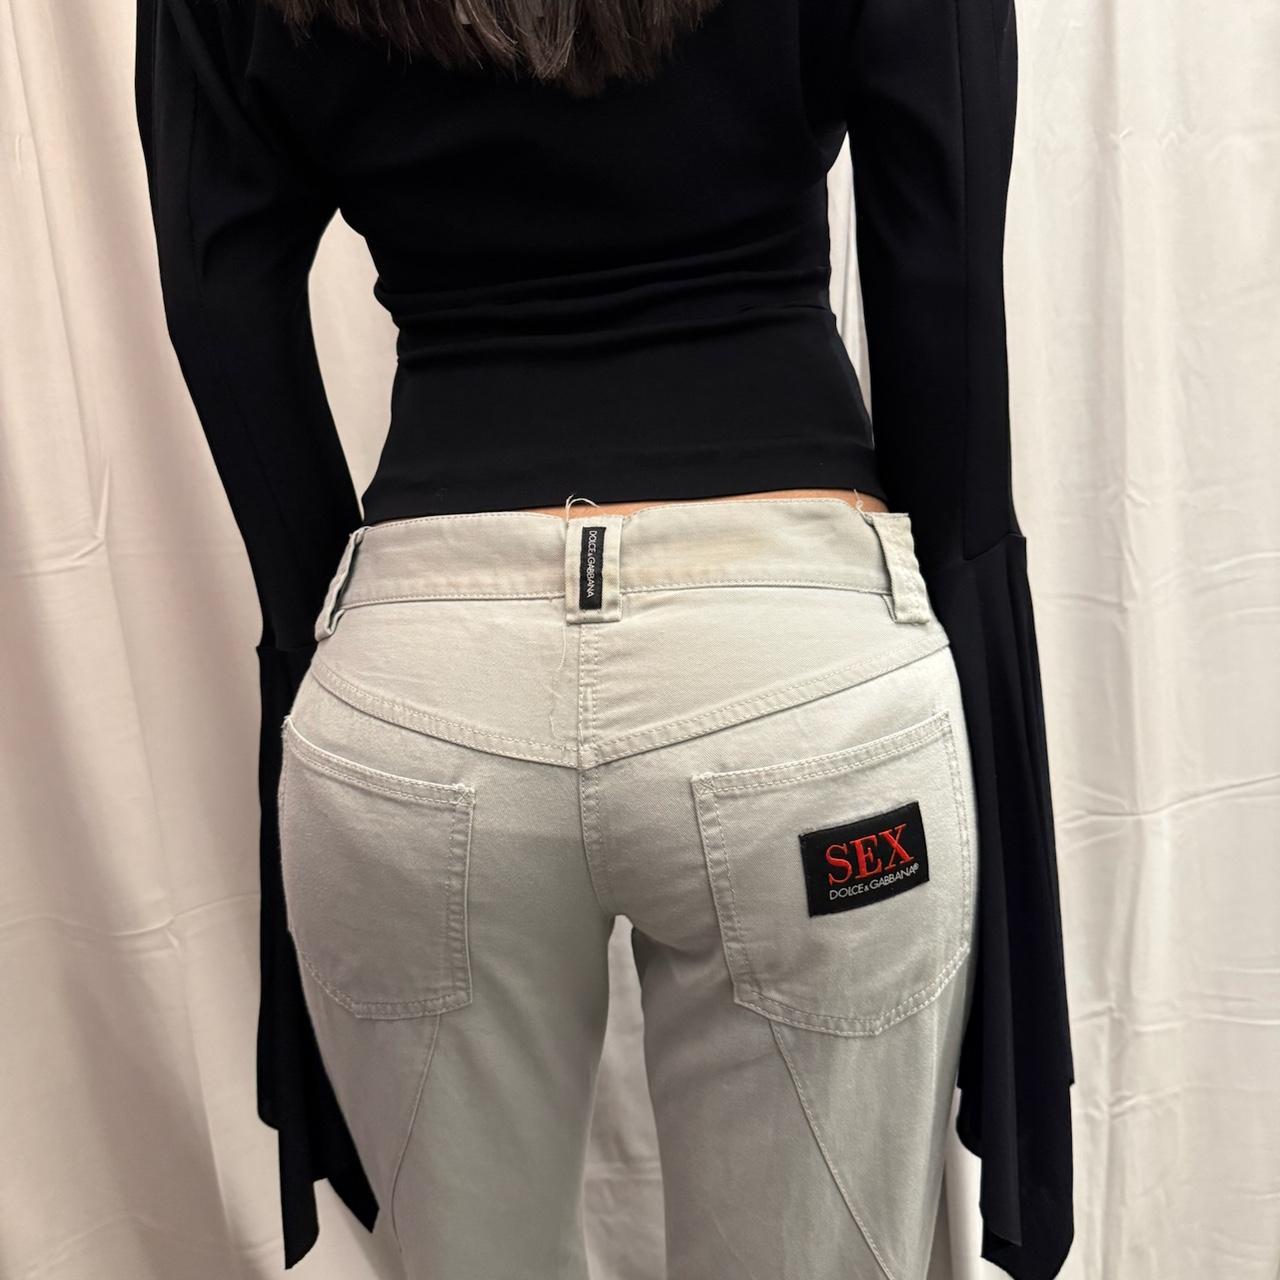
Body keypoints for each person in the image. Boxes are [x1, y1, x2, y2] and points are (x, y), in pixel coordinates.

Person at [134, 0, 1074, 1276]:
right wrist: (937, 634)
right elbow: (944, 263)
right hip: (797, 681)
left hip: (418, 690)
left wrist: (333, 635)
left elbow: (218, 291)